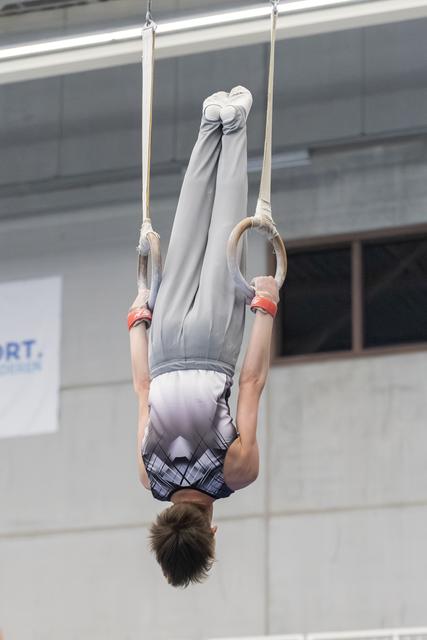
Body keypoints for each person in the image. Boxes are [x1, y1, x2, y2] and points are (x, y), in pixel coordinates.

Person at [128, 86, 280, 587]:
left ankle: (233, 124)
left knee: (224, 234)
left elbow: (253, 382)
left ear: (211, 535)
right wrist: (138, 319)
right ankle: (209, 122)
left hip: (215, 346)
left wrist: (265, 307)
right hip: (164, 344)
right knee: (190, 228)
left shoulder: (235, 472)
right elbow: (144, 391)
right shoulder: (149, 475)